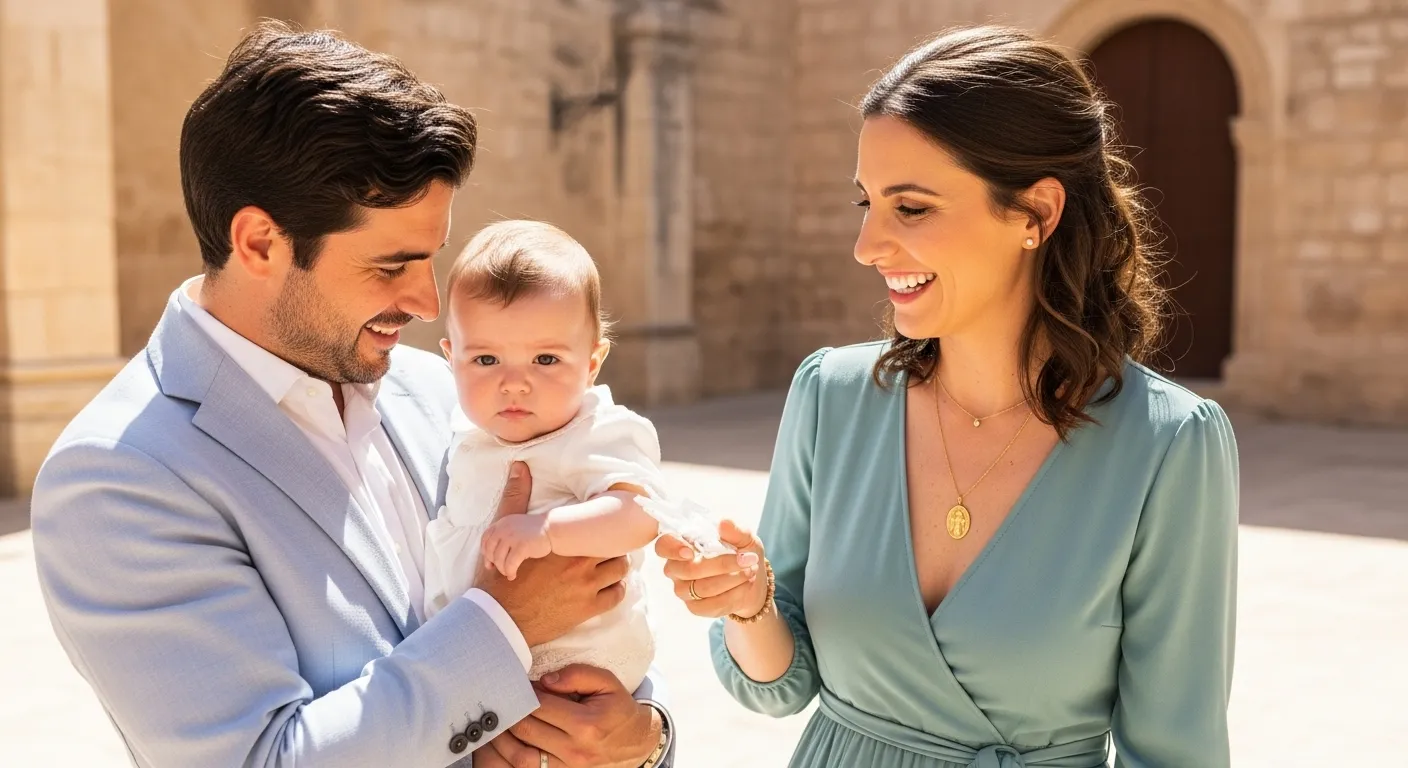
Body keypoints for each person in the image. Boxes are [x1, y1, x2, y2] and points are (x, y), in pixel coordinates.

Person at [31, 22, 673, 768]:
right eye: (391, 265)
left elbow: (592, 626)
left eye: (431, 259)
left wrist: (643, 737)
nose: (428, 304)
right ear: (260, 244)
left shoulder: (443, 390)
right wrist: (501, 623)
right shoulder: (117, 479)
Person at [657, 25, 1239, 768]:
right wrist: (750, 604)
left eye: (912, 207)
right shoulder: (831, 396)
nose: (867, 245)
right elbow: (777, 686)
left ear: (1036, 213)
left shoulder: (1168, 447)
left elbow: (1177, 753)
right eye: (865, 203)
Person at [423, 219, 665, 700]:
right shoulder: (468, 437)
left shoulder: (594, 432)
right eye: (486, 360)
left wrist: (549, 530)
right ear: (451, 358)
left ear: (592, 363)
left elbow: (640, 516)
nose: (515, 383)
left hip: (582, 665)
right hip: (482, 672)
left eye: (546, 360)